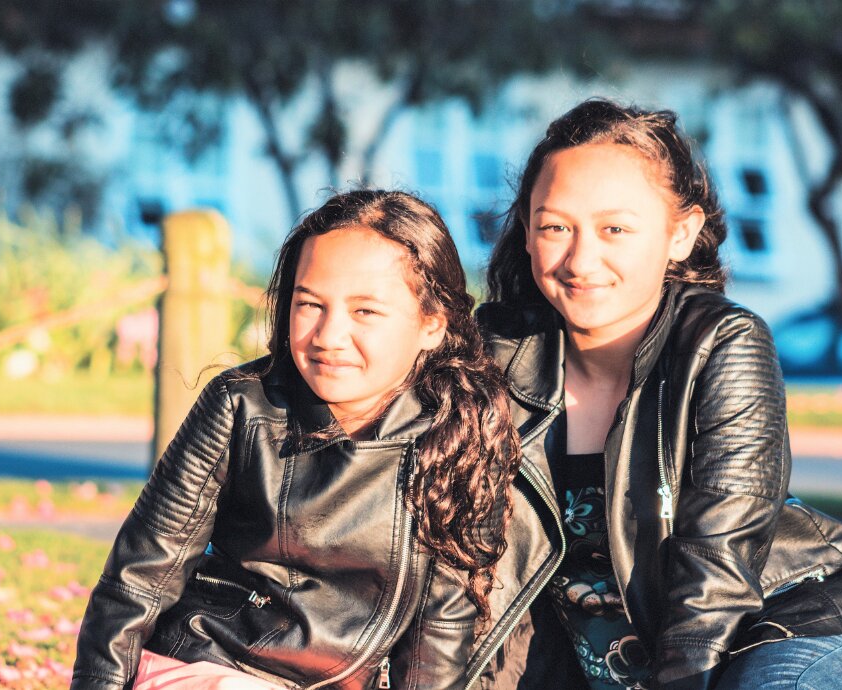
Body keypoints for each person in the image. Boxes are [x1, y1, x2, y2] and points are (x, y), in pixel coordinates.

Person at [477, 98, 842, 689]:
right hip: (618, 665)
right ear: (526, 232)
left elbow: (718, 576)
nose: (581, 258)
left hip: (780, 632)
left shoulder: (722, 342)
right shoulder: (491, 361)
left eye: (615, 229)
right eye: (555, 227)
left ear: (681, 233)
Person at [71, 190, 524, 690]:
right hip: (212, 667)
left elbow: (438, 637)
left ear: (432, 325)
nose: (329, 335)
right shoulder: (240, 405)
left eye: (365, 312)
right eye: (309, 303)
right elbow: (139, 578)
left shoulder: (463, 434)